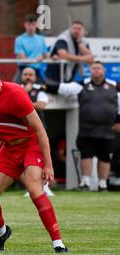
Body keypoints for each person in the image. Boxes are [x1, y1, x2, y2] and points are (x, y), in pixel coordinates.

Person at [0, 60, 68, 253]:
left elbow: (40, 130)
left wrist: (49, 165)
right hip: (9, 150)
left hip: (31, 144)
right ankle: (2, 231)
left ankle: (58, 243)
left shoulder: (16, 94)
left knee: (34, 189)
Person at [45, 61, 120, 191]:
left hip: (107, 130)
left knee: (105, 157)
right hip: (87, 129)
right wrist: (43, 87)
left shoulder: (114, 86)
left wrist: (118, 121)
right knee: (86, 155)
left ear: (104, 71)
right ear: (90, 71)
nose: (96, 70)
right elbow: (63, 88)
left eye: (98, 68)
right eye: (93, 68)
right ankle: (85, 182)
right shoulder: (82, 84)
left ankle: (102, 184)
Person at [20, 67, 54, 197]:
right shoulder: (16, 88)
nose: (28, 77)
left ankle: (44, 187)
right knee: (23, 162)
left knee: (41, 160)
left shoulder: (39, 89)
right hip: (21, 132)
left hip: (37, 132)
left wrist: (23, 99)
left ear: (35, 77)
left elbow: (41, 105)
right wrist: (24, 93)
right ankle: (31, 187)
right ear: (21, 76)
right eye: (25, 74)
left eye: (31, 75)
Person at [13, 14, 48, 83]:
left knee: (42, 90)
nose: (31, 27)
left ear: (37, 25)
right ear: (25, 25)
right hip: (23, 71)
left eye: (33, 24)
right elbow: (23, 59)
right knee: (15, 90)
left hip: (36, 71)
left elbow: (45, 55)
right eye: (29, 24)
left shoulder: (41, 39)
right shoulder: (19, 39)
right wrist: (37, 59)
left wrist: (54, 57)